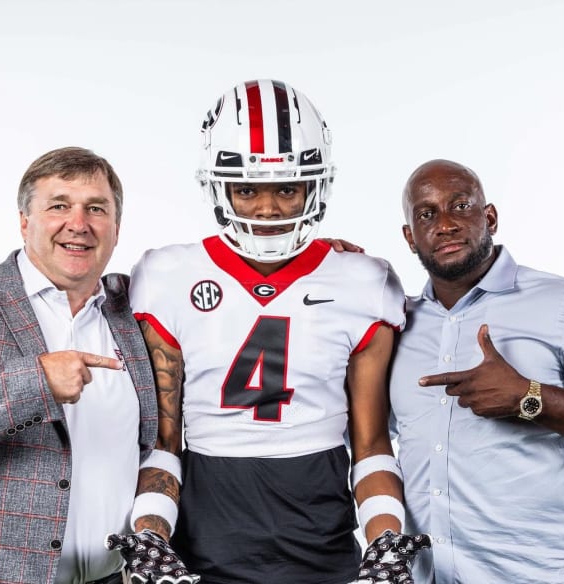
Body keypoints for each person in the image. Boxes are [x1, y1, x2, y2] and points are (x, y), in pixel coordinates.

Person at [115, 79, 430, 584]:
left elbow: (370, 443)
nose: (267, 209)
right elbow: (165, 443)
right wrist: (151, 538)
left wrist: (385, 542)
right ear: (218, 186)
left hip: (321, 531)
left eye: (287, 187)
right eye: (246, 188)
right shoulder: (166, 276)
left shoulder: (364, 282)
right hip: (205, 530)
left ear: (315, 183)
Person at [0, 147, 160, 584]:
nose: (78, 224)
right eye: (59, 205)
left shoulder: (134, 307)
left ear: (116, 229)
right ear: (25, 220)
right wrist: (35, 382)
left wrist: (325, 256)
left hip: (116, 577)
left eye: (96, 209)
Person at [391, 158, 564, 583]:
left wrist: (529, 398)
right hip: (425, 576)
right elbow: (367, 441)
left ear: (489, 217)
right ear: (410, 238)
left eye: (461, 206)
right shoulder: (395, 324)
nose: (446, 224)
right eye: (427, 214)